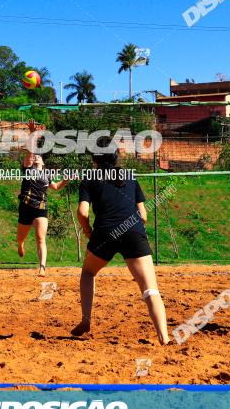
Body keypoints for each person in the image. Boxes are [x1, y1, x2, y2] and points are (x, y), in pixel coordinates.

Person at [71, 137, 169, 345]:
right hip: (132, 229)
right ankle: (164, 337)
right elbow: (143, 215)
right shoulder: (129, 176)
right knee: (150, 288)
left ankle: (86, 320)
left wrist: (87, 230)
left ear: (94, 158)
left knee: (88, 272)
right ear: (115, 157)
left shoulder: (89, 178)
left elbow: (82, 212)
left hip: (105, 232)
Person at [16, 121, 69, 276]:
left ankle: (42, 267)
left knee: (40, 239)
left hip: (41, 208)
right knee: (20, 237)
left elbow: (57, 187)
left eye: (39, 156)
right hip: (26, 207)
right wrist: (33, 134)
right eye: (34, 157)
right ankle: (21, 244)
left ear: (43, 162)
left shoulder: (46, 174)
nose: (36, 157)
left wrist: (67, 179)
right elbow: (30, 152)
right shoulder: (27, 169)